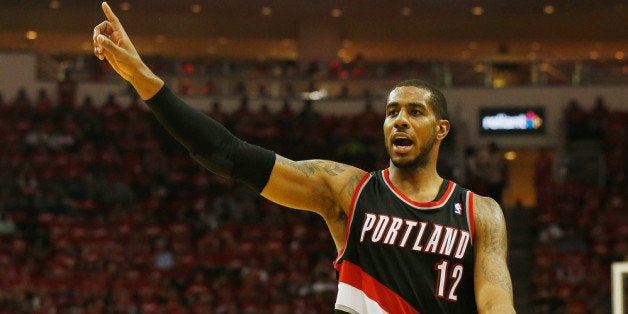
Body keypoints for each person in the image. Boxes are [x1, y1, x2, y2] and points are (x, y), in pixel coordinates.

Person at [92, 2, 515, 313]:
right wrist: (142, 79)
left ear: (441, 129)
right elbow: (225, 153)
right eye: (391, 113)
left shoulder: (481, 213)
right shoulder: (348, 190)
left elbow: (497, 305)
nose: (399, 121)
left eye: (415, 112)